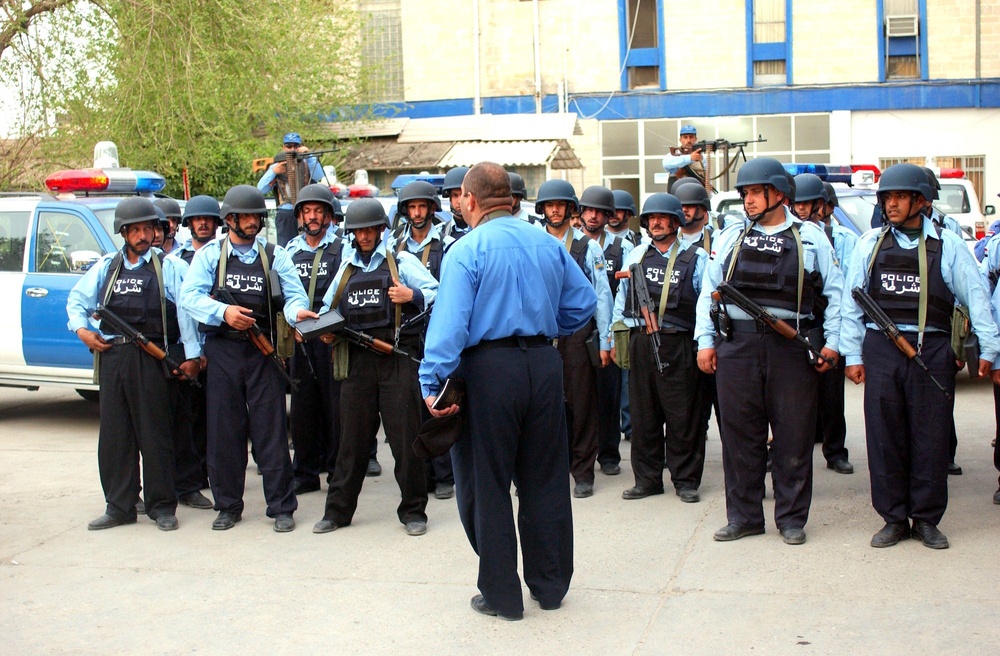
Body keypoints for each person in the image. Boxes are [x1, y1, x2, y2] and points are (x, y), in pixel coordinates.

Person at [419, 161, 597, 622]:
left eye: (459, 197)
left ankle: (502, 596)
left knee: (487, 482)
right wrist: (542, 331)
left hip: (489, 370)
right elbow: (584, 303)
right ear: (511, 200)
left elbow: (450, 326)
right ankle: (551, 586)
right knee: (545, 478)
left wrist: (431, 382)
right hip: (544, 363)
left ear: (470, 201)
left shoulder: (466, 249)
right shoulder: (548, 242)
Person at [841, 163, 1000, 549]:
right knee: (884, 436)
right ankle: (894, 518)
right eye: (887, 198)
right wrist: (851, 355)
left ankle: (927, 519)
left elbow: (975, 296)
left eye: (899, 197)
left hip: (931, 348)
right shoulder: (870, 243)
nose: (890, 204)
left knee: (931, 437)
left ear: (921, 202)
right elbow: (851, 303)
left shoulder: (949, 245)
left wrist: (990, 349)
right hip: (881, 348)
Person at [695, 157, 844, 546]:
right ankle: (743, 517)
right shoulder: (730, 236)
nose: (748, 200)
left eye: (755, 192)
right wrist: (705, 342)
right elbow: (708, 294)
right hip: (738, 344)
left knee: (793, 434)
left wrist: (833, 343)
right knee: (740, 433)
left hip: (790, 346)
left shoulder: (810, 237)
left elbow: (836, 293)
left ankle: (792, 519)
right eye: (744, 193)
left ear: (778, 194)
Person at [180, 185, 315, 533]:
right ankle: (227, 506)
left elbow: (294, 294)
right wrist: (224, 312)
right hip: (223, 349)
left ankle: (282, 506)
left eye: (257, 217)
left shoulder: (274, 254)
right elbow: (189, 296)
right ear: (230, 220)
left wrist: (300, 313)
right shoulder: (210, 255)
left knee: (270, 430)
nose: (253, 222)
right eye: (246, 217)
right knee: (225, 430)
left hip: (262, 351)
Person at [67, 196, 202, 531]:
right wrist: (83, 331)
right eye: (137, 230)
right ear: (124, 233)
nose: (144, 235)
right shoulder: (106, 268)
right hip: (113, 358)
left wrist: (192, 356)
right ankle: (120, 505)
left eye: (149, 228)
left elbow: (186, 314)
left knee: (155, 433)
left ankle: (161, 506)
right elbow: (76, 301)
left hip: (151, 359)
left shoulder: (169, 267)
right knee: (115, 435)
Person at [313, 198, 438, 537]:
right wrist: (324, 330)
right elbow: (328, 307)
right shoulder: (347, 267)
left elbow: (436, 293)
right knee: (350, 443)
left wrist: (410, 295)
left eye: (370, 229)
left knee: (405, 441)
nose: (365, 235)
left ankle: (414, 512)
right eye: (359, 231)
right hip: (356, 361)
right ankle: (337, 512)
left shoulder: (401, 260)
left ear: (381, 229)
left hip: (396, 360)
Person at [614, 193, 708, 503]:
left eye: (662, 217)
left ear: (675, 222)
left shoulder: (695, 258)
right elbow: (622, 300)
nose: (655, 222)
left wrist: (704, 343)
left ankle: (685, 480)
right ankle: (648, 479)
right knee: (644, 415)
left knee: (683, 415)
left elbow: (705, 303)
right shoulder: (637, 255)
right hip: (642, 341)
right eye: (650, 218)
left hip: (678, 341)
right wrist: (617, 337)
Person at [537, 180, 614, 498]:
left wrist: (606, 339)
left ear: (571, 209)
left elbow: (601, 294)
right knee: (543, 406)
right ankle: (546, 470)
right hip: (541, 335)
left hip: (578, 336)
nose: (555, 210)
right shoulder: (532, 242)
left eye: (561, 204)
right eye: (549, 205)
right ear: (542, 209)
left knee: (582, 404)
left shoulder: (588, 246)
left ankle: (583, 472)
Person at [391, 180, 456, 500]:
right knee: (413, 406)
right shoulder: (394, 245)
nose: (417, 213)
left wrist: (413, 294)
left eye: (423, 207)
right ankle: (423, 474)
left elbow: (452, 289)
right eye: (411, 207)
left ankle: (445, 473)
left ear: (432, 208)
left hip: (441, 330)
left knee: (441, 403)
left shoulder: (448, 242)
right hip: (406, 336)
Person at [284, 184, 346, 495]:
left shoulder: (342, 248)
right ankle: (305, 473)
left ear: (328, 216)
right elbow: (281, 294)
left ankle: (337, 471)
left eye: (318, 211)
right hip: (299, 338)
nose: (312, 217)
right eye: (307, 211)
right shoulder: (289, 251)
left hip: (331, 338)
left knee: (335, 408)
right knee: (302, 408)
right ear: (299, 216)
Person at [793, 173, 856, 476]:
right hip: (797, 321)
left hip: (827, 318)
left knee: (831, 392)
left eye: (807, 203)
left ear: (823, 205)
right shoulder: (791, 233)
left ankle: (835, 451)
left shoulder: (845, 238)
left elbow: (847, 286)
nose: (801, 208)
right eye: (797, 203)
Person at [169, 195, 223, 493]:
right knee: (185, 418)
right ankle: (188, 479)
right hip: (187, 349)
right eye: (197, 219)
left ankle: (210, 474)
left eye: (208, 218)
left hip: (217, 344)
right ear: (188, 223)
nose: (203, 223)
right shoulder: (178, 261)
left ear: (217, 222)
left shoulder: (224, 256)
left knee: (213, 419)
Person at [579, 185, 633, 477]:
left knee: (608, 394)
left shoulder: (621, 248)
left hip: (609, 327)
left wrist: (612, 334)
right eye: (588, 210)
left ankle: (609, 453)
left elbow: (621, 293)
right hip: (577, 329)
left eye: (600, 212)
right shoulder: (571, 244)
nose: (593, 217)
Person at [257, 132, 326, 247]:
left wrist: (309, 156)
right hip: (286, 213)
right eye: (289, 146)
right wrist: (274, 171)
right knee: (285, 248)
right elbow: (261, 189)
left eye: (296, 146)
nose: (292, 149)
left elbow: (318, 176)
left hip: (305, 212)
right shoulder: (277, 165)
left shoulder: (307, 162)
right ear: (283, 147)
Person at [662, 125, 711, 190]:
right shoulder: (674, 155)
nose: (688, 140)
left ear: (695, 139)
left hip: (697, 194)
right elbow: (666, 163)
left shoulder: (702, 158)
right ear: (680, 139)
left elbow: (706, 179)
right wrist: (690, 158)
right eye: (685, 137)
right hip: (678, 194)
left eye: (691, 137)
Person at [440, 167, 472, 241]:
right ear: (449, 198)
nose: (460, 201)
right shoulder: (439, 233)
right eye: (455, 195)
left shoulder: (485, 231)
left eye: (463, 195)